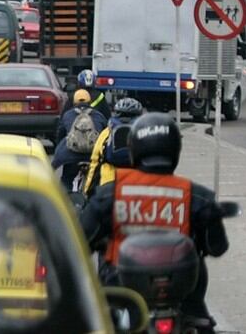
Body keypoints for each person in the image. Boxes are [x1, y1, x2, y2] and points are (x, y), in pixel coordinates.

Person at [81, 113, 229, 333]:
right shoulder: (198, 197)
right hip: (185, 297)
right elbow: (217, 247)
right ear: (175, 149)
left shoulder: (109, 195)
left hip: (122, 294)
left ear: (134, 150)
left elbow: (80, 240)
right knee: (201, 321)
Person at [82, 97, 144, 197]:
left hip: (108, 185)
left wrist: (87, 190)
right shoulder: (143, 133)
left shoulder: (107, 132)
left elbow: (95, 161)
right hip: (136, 185)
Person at [50, 90, 107, 189]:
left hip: (71, 156)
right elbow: (106, 136)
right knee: (97, 181)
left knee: (66, 180)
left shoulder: (67, 115)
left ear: (74, 102)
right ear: (90, 102)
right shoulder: (99, 116)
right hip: (92, 156)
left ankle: (66, 198)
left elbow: (60, 135)